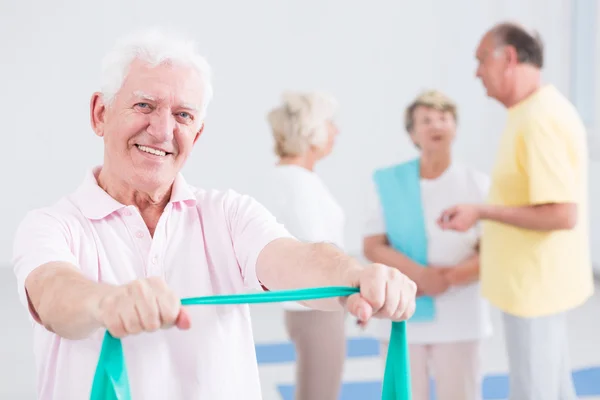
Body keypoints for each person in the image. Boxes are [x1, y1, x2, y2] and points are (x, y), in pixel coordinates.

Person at [11, 29, 417, 400]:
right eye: (144, 105)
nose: (161, 129)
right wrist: (107, 303)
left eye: (183, 115)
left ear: (198, 134)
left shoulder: (227, 213)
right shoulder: (51, 225)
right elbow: (53, 293)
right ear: (100, 114)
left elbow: (296, 258)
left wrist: (357, 277)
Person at [438, 22, 594, 400]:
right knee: (553, 389)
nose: (476, 72)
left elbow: (562, 214)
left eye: (480, 61)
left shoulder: (540, 119)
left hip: (535, 290)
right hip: (535, 285)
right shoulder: (531, 111)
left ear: (507, 58)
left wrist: (482, 212)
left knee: (534, 392)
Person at [362, 90, 492, 400]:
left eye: (444, 118)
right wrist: (422, 277)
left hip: (460, 314)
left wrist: (446, 280)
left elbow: (492, 250)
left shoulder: (477, 183)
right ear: (412, 133)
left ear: (455, 129)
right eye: (426, 120)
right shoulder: (388, 182)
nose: (436, 125)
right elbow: (373, 244)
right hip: (402, 309)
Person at [252, 91, 346, 400]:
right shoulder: (296, 181)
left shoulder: (293, 177)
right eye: (330, 123)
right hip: (318, 306)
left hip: (315, 306)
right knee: (320, 392)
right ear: (313, 132)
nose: (337, 131)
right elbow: (316, 249)